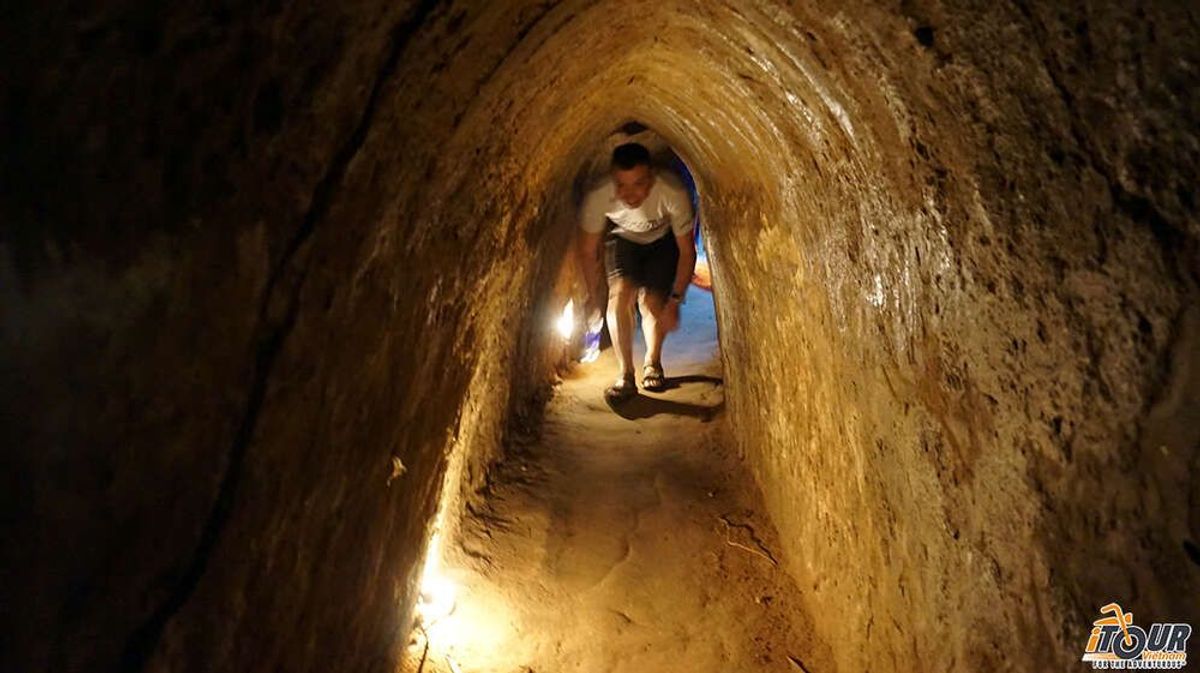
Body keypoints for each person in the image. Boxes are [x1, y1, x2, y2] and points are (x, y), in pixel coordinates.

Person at [577, 142, 697, 402]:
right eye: (621, 185)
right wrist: (593, 296)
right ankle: (626, 374)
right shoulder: (599, 195)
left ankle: (653, 362)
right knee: (619, 297)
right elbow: (588, 251)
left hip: (663, 239)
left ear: (651, 178)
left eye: (638, 184)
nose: (629, 194)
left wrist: (675, 301)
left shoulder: (672, 191)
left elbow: (687, 252)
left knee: (652, 303)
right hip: (624, 238)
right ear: (613, 179)